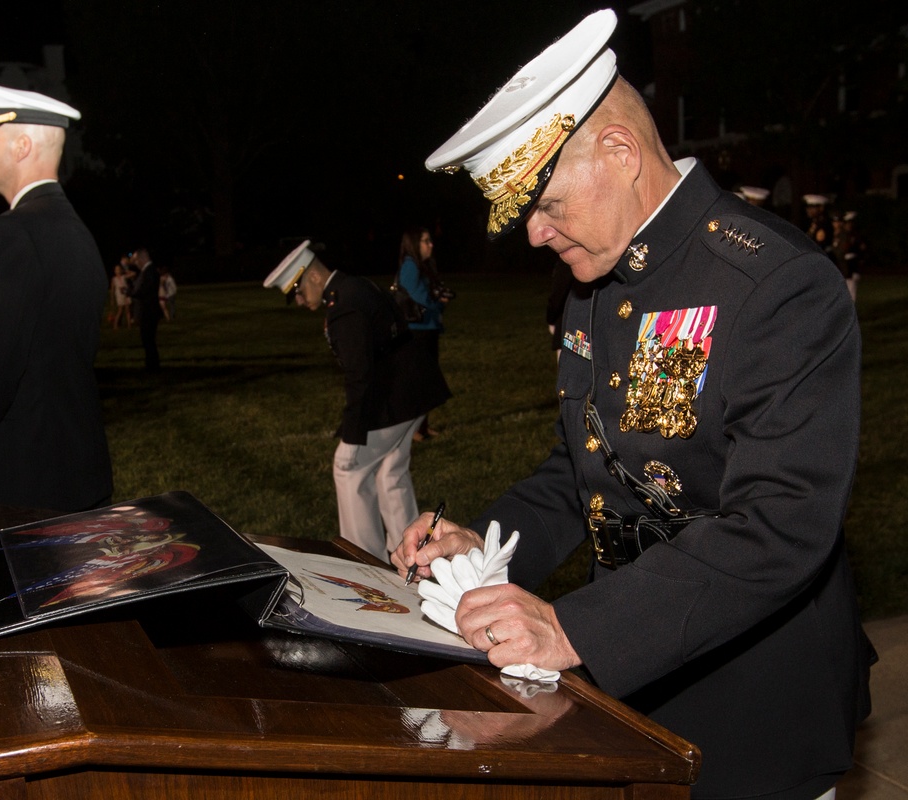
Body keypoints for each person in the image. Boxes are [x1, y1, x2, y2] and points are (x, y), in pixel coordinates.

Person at [394, 10, 872, 800]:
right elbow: (584, 464)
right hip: (636, 677)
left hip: (756, 699)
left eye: (545, 206)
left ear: (618, 152)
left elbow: (783, 522)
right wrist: (486, 542)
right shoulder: (601, 279)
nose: (537, 237)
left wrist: (574, 627)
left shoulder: (774, 283)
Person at [0, 77, 113, 512]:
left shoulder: (14, 232)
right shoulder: (76, 231)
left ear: (21, 146)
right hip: (80, 465)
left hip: (32, 477)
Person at [264, 240, 450, 562]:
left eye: (297, 290)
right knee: (391, 473)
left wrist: (352, 434)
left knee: (348, 468)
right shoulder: (354, 286)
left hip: (393, 397)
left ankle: (364, 563)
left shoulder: (343, 305)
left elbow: (359, 376)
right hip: (414, 390)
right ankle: (414, 556)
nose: (297, 300)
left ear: (312, 277)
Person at [397, 226, 451, 440]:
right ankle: (413, 430)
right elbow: (419, 296)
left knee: (426, 381)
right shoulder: (410, 265)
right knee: (419, 382)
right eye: (426, 241)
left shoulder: (423, 265)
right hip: (417, 332)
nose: (431, 245)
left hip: (427, 329)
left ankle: (421, 426)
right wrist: (438, 303)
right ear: (414, 244)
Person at [125, 246, 162, 371]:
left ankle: (152, 365)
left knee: (148, 340)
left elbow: (144, 290)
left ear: (142, 259)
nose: (135, 263)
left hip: (148, 312)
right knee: (147, 340)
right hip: (148, 311)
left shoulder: (150, 271)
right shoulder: (147, 271)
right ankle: (151, 363)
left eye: (136, 260)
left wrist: (129, 292)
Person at [110, 263, 132, 329]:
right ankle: (115, 325)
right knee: (120, 310)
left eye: (119, 269)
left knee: (127, 310)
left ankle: (129, 325)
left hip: (126, 294)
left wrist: (125, 271)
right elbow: (112, 290)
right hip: (119, 295)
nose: (118, 271)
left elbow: (134, 273)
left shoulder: (123, 277)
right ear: (114, 271)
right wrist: (112, 299)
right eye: (116, 269)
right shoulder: (114, 279)